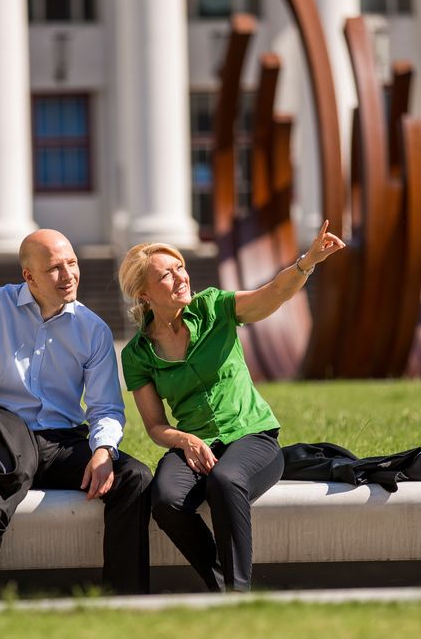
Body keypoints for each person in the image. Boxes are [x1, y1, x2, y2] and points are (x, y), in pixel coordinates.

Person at [0, 229, 152, 595]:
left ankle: (122, 599)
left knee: (133, 477)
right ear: (29, 276)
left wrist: (103, 450)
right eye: (55, 268)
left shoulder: (93, 329)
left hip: (64, 444)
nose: (68, 275)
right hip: (1, 440)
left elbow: (105, 407)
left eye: (72, 263)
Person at [118, 222, 345, 592]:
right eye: (166, 275)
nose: (180, 278)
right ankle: (223, 588)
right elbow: (156, 426)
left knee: (225, 482)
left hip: (253, 437)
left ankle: (237, 594)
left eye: (180, 268)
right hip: (196, 444)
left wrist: (308, 262)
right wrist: (185, 441)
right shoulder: (137, 354)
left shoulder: (213, 307)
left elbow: (272, 294)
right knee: (165, 501)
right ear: (144, 293)